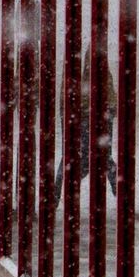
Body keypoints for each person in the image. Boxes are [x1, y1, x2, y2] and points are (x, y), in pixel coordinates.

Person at [54, 49, 117, 208]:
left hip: (85, 113)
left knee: (75, 157)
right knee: (104, 157)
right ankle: (120, 193)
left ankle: (55, 198)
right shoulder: (100, 78)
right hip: (91, 114)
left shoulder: (79, 79)